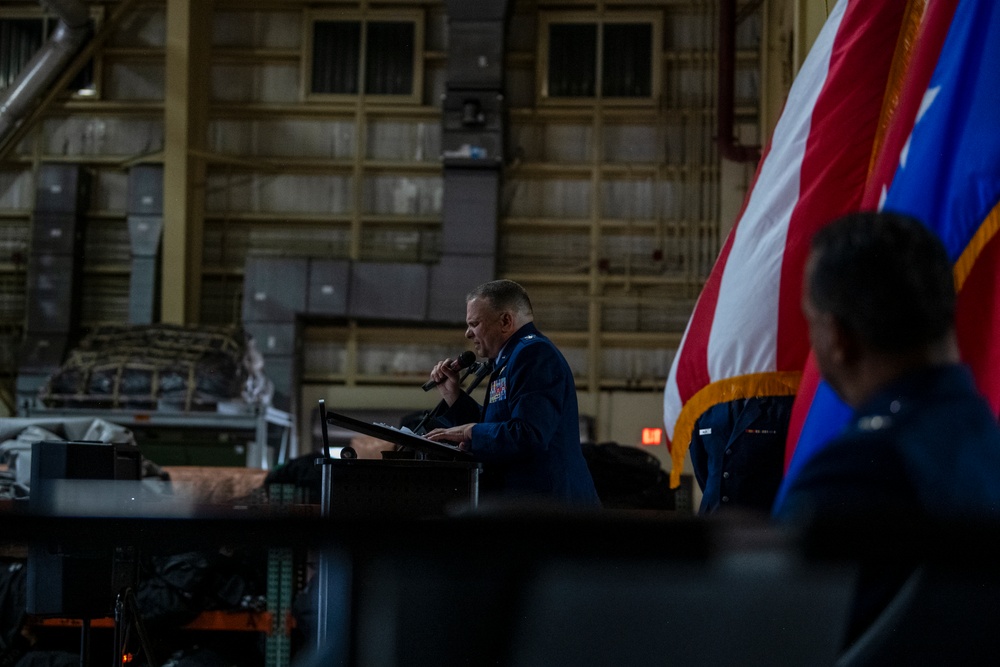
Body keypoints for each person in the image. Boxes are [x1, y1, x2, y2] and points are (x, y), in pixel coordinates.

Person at [774, 211, 1000, 645]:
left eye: (811, 320)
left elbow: (777, 641)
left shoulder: (855, 475)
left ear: (837, 336)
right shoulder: (981, 443)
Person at [424, 279, 600, 506]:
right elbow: (498, 426)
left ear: (506, 321)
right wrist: (453, 397)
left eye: (474, 323)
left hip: (551, 509)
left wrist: (472, 432)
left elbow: (529, 435)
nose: (468, 333)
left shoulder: (533, 354)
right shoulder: (511, 357)